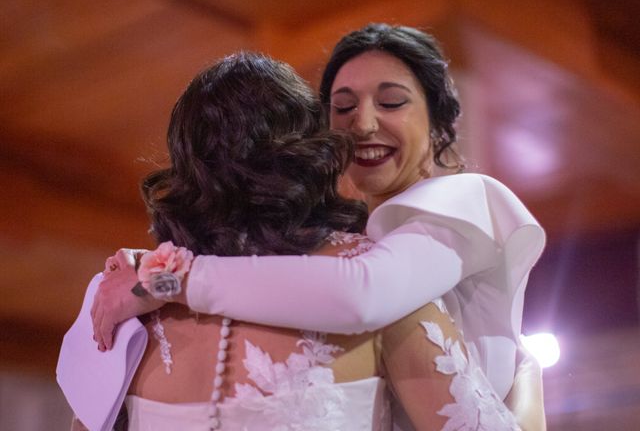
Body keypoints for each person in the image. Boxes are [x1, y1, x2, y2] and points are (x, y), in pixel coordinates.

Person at [89, 24, 546, 429]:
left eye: (391, 101)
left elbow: (364, 292)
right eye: (342, 107)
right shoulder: (361, 260)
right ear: (309, 141)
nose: (362, 124)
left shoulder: (461, 207)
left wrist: (165, 278)